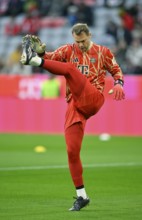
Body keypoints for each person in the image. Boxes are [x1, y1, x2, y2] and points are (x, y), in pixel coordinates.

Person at [20, 23, 125, 211]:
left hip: (93, 98)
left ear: (90, 35)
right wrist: (43, 54)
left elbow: (116, 70)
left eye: (83, 41)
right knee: (72, 151)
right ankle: (82, 196)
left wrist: (119, 84)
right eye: (77, 41)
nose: (81, 45)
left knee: (70, 70)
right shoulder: (68, 49)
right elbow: (53, 61)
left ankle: (32, 61)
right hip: (75, 105)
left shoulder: (103, 52)